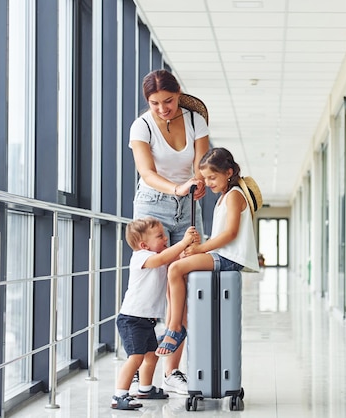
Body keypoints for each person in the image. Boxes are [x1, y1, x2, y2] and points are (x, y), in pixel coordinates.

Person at [129, 69, 209, 394]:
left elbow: (201, 165)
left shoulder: (195, 121)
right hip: (152, 206)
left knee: (187, 284)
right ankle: (140, 361)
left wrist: (200, 182)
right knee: (152, 283)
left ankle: (172, 371)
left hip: (188, 204)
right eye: (155, 103)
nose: (163, 109)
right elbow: (146, 172)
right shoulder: (141, 126)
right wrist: (178, 188)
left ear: (178, 95)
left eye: (169, 101)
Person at [156, 147, 260, 356]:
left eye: (212, 177)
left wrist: (200, 249)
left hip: (229, 258)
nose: (209, 182)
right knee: (175, 267)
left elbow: (230, 234)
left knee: (175, 268)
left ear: (228, 173)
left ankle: (176, 328)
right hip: (223, 255)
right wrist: (196, 250)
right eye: (206, 178)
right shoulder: (224, 196)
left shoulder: (234, 195)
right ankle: (172, 324)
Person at [111, 217, 198, 410]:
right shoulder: (141, 257)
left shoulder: (157, 255)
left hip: (146, 320)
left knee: (151, 355)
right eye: (160, 236)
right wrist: (182, 242)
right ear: (144, 244)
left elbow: (174, 260)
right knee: (136, 357)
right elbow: (162, 259)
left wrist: (189, 248)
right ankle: (119, 395)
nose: (165, 238)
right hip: (131, 319)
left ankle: (145, 388)